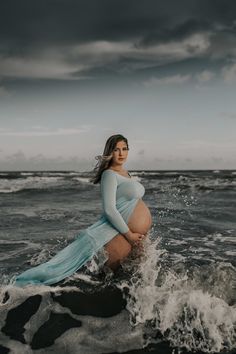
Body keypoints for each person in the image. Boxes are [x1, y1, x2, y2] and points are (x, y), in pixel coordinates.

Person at [13, 134, 152, 287]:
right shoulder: (109, 174)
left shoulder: (126, 174)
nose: (121, 153)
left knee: (126, 281)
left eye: (124, 149)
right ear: (109, 152)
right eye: (116, 150)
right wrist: (129, 235)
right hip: (119, 234)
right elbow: (110, 209)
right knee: (97, 280)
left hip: (131, 235)